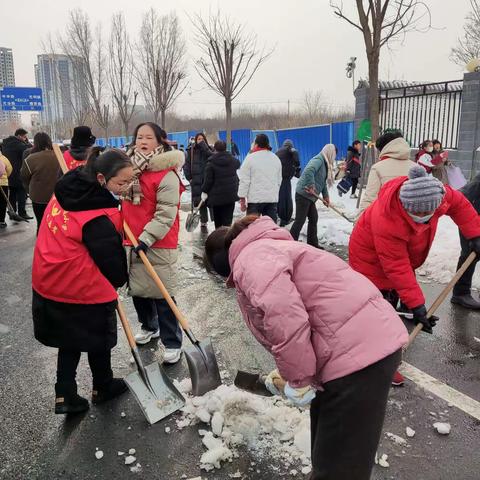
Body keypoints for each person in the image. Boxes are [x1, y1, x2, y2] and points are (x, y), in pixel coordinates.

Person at [203, 215, 408, 480]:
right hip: (356, 344)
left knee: (342, 467)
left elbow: (285, 317)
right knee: (330, 447)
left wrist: (298, 379)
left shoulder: (250, 259)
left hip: (357, 356)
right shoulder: (267, 247)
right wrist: (299, 375)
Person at [349, 164, 480, 386]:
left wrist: (475, 234)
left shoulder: (436, 194)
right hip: (370, 262)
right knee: (380, 314)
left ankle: (383, 353)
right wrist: (418, 306)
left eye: (427, 213)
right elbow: (396, 266)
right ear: (405, 206)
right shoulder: (387, 219)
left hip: (402, 258)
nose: (424, 218)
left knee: (396, 308)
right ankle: (377, 365)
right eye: (418, 214)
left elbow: (460, 205)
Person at [32, 148, 134, 414]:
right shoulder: (98, 213)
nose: (127, 187)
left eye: (130, 180)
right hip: (81, 286)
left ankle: (64, 394)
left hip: (49, 277)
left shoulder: (69, 187)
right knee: (98, 336)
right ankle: (103, 385)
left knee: (70, 339)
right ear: (101, 178)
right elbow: (111, 262)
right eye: (122, 183)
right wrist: (120, 280)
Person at [122, 122, 186, 364]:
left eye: (149, 137)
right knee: (139, 289)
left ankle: (173, 341)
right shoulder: (129, 170)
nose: (143, 141)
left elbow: (166, 213)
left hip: (157, 242)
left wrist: (146, 238)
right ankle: (149, 327)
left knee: (162, 293)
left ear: (160, 141)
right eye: (139, 137)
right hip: (131, 238)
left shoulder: (166, 173)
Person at [289, 144, 336, 248]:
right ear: (330, 153)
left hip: (310, 197)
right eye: (334, 155)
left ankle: (312, 244)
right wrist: (311, 185)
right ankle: (290, 243)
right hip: (304, 194)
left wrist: (326, 196)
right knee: (300, 220)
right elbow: (309, 170)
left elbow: (322, 182)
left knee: (313, 218)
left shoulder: (324, 163)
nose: (334, 158)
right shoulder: (319, 160)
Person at [359, 132, 416, 212]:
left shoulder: (378, 168)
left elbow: (370, 199)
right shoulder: (416, 167)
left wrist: (360, 220)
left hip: (386, 218)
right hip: (412, 220)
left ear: (384, 149)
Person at [20, 132, 60, 234]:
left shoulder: (30, 159)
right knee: (56, 223)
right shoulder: (59, 156)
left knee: (41, 223)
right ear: (49, 141)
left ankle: (42, 244)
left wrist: (29, 190)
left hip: (38, 197)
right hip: (57, 196)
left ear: (36, 143)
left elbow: (24, 177)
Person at [237, 133, 282, 222]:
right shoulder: (275, 158)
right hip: (271, 200)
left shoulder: (250, 158)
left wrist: (242, 199)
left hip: (254, 201)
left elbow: (244, 181)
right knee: (270, 227)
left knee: (252, 227)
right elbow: (279, 180)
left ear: (256, 144)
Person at [451, 173, 480, 309]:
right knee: (471, 254)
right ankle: (460, 293)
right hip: (471, 218)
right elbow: (461, 197)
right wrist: (473, 235)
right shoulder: (478, 182)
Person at [201, 140, 240, 229]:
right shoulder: (233, 161)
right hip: (230, 196)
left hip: (216, 198)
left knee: (218, 223)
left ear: (214, 149)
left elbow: (208, 181)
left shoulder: (210, 163)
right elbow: (238, 164)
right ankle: (227, 238)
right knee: (228, 221)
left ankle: (219, 239)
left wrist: (204, 191)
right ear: (226, 148)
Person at [184, 132, 213, 233]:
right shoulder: (191, 151)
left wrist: (204, 147)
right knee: (201, 203)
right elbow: (186, 165)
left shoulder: (208, 150)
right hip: (196, 180)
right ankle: (203, 222)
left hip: (208, 179)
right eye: (198, 139)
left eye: (202, 139)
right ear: (195, 140)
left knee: (211, 201)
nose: (200, 141)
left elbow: (212, 158)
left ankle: (215, 221)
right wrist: (189, 178)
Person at [2, 128, 32, 220]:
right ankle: (22, 213)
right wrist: (27, 142)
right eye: (24, 137)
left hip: (9, 172)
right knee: (21, 193)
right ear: (19, 136)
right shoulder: (20, 145)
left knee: (12, 194)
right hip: (18, 172)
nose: (25, 138)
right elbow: (30, 150)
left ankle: (12, 212)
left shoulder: (5, 144)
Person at [276, 139, 300, 227]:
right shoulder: (290, 150)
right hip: (285, 178)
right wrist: (297, 166)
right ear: (290, 145)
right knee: (287, 198)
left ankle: (280, 216)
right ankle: (285, 218)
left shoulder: (278, 151)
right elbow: (296, 155)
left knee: (280, 197)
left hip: (277, 178)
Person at [0, 152, 13, 228]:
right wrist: (5, 176)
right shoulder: (4, 159)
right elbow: (9, 169)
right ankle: (1, 221)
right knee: (2, 203)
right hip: (3, 183)